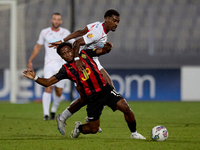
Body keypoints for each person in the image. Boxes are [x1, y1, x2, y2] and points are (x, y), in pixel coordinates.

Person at [23, 42, 146, 140]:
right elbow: (48, 82)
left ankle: (134, 133)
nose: (67, 54)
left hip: (105, 90)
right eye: (63, 54)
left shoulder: (84, 54)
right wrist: (35, 77)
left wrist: (107, 48)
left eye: (68, 51)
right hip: (92, 99)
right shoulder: (65, 70)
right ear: (61, 57)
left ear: (73, 50)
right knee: (93, 129)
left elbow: (102, 51)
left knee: (126, 108)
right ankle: (79, 128)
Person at [48, 9, 120, 132]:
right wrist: (76, 58)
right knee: (86, 98)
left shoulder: (97, 24)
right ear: (107, 19)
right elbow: (79, 39)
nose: (116, 24)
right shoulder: (98, 31)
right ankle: (64, 117)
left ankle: (87, 118)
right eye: (114, 21)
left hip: (92, 59)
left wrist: (63, 40)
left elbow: (80, 31)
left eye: (118, 21)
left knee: (107, 88)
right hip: (84, 60)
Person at [28, 12, 74, 120]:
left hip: (62, 65)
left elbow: (74, 44)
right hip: (49, 63)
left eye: (58, 19)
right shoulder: (45, 32)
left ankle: (53, 111)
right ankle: (46, 114)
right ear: (51, 20)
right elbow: (38, 46)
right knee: (48, 87)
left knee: (59, 90)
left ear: (61, 21)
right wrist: (30, 60)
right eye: (54, 19)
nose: (56, 21)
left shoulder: (65, 32)